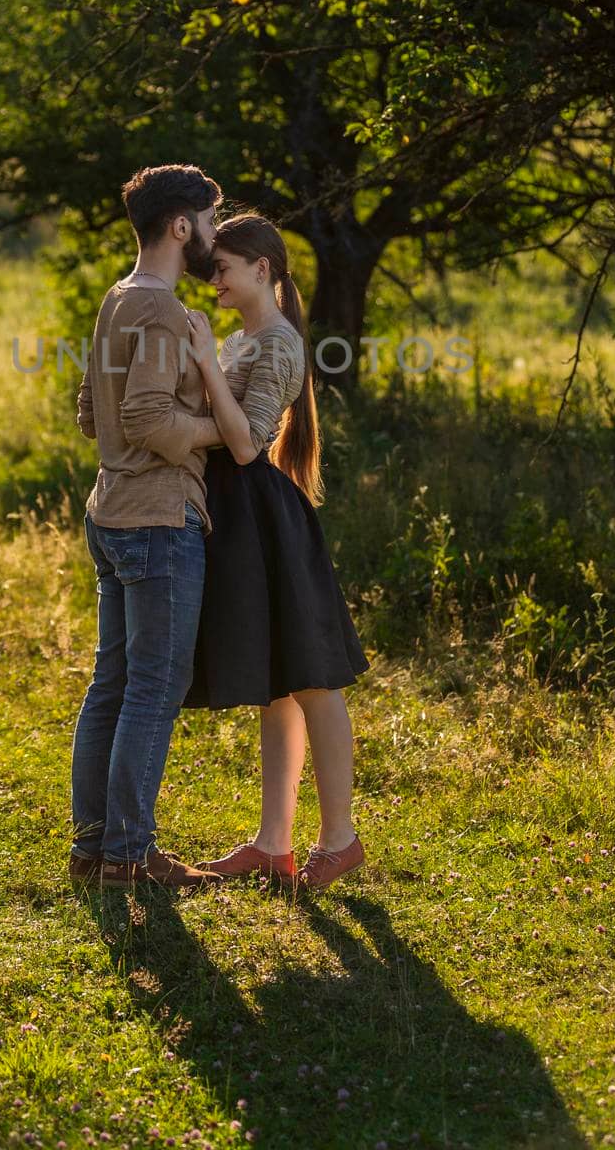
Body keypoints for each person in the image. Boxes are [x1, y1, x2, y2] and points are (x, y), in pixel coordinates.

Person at [182, 213, 370, 892]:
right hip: (242, 518)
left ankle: (339, 838)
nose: (216, 283)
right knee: (279, 687)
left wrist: (203, 361)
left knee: (312, 679)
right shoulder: (247, 339)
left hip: (266, 517)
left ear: (261, 269)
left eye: (224, 269)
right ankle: (273, 844)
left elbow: (247, 444)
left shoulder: (279, 344)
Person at [69, 163, 227, 890]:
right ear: (180, 225)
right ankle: (127, 857)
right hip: (158, 518)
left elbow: (88, 410)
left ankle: (95, 848)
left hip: (108, 510)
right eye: (211, 220)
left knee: (113, 685)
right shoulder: (161, 309)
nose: (215, 235)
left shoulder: (116, 298)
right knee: (150, 690)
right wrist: (222, 432)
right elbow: (144, 417)